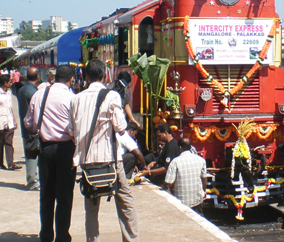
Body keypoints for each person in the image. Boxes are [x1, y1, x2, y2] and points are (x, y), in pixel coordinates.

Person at [68, 59, 139, 242]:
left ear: (86, 76)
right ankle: (131, 239)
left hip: (87, 162)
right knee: (125, 201)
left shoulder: (75, 99)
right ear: (104, 75)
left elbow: (71, 130)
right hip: (110, 160)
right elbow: (121, 128)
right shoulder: (112, 96)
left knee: (91, 206)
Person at [24, 65, 76, 242]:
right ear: (71, 79)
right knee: (65, 195)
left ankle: (46, 234)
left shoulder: (40, 94)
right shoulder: (71, 97)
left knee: (46, 194)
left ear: (53, 77)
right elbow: (77, 127)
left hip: (45, 149)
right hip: (66, 150)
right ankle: (62, 236)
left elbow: (28, 122)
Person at [165, 137, 207, 215]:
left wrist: (173, 189)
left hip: (181, 201)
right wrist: (203, 190)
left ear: (180, 148)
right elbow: (204, 179)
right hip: (197, 200)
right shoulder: (201, 160)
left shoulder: (175, 162)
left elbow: (169, 182)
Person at [16, 67, 40, 190]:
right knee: (34, 155)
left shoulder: (21, 90)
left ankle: (32, 179)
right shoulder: (34, 92)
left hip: (25, 128)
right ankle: (33, 181)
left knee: (29, 154)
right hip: (34, 128)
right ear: (37, 77)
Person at [139, 124, 178, 188]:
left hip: (164, 182)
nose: (158, 138)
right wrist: (154, 163)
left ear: (165, 133)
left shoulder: (171, 147)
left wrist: (148, 172)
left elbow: (165, 168)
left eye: (159, 136)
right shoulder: (168, 145)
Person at [0, 74, 19, 170]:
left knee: (9, 142)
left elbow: (10, 107)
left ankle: (11, 163)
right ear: (4, 83)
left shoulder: (9, 92)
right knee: (0, 143)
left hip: (9, 120)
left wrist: (14, 120)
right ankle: (0, 163)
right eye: (9, 82)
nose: (11, 83)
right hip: (1, 121)